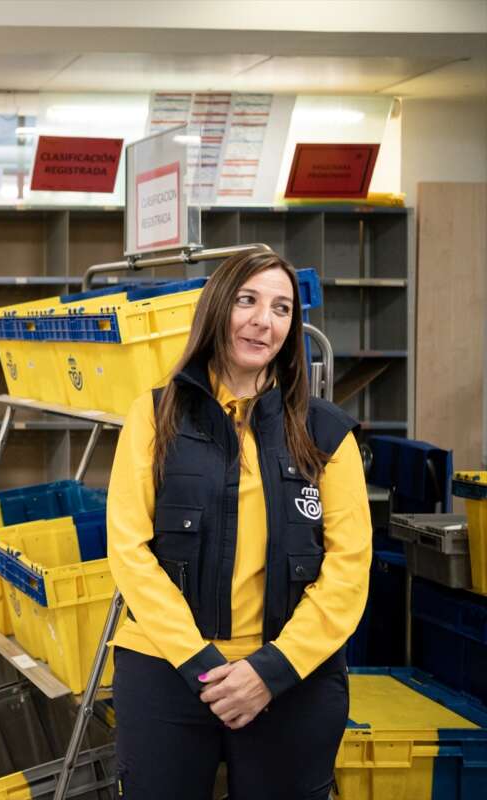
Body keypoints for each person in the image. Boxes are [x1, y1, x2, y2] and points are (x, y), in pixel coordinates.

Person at [106, 251, 371, 800]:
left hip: (293, 676)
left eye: (281, 308)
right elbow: (128, 549)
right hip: (167, 667)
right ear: (217, 309)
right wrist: (202, 664)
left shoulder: (326, 434)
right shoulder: (154, 415)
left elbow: (349, 569)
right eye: (247, 300)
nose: (263, 321)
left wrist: (272, 670)